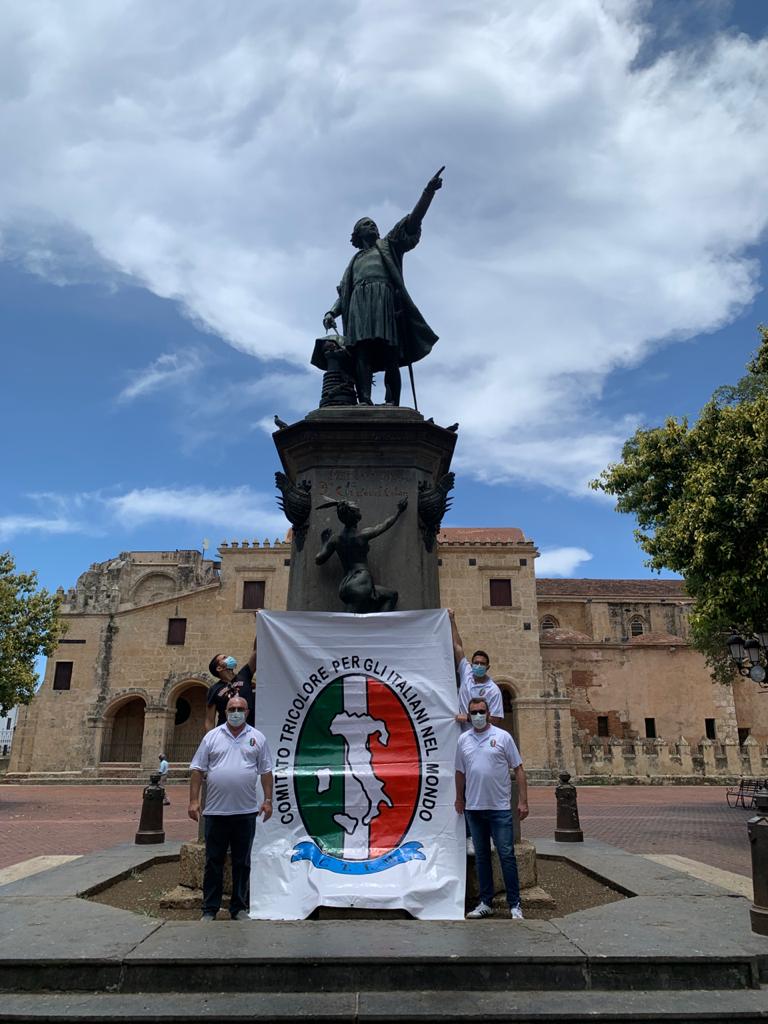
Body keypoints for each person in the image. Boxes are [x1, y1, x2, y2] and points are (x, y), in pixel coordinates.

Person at [322, 168, 443, 406]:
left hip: (384, 301)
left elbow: (412, 221)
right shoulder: (355, 261)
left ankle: (392, 402)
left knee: (390, 353)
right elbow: (344, 292)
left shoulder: (388, 246)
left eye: (374, 223)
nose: (373, 226)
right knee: (362, 352)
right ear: (357, 234)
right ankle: (365, 399)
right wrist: (331, 311)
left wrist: (427, 193)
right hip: (359, 305)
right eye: (367, 224)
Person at [188, 695, 273, 921]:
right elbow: (197, 769)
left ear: (247, 712)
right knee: (213, 861)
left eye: (240, 709)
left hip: (245, 812)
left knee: (242, 862)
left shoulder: (258, 738)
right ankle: (209, 908)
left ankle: (239, 907)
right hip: (216, 812)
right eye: (232, 708)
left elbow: (266, 772)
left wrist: (268, 800)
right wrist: (194, 801)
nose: (236, 712)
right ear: (225, 711)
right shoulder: (212, 737)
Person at [455, 696, 529, 920]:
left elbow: (519, 769)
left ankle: (514, 903)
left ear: (488, 713)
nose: (478, 715)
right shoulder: (463, 740)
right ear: (469, 715)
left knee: (506, 854)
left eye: (481, 711)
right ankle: (486, 902)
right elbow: (460, 772)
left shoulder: (502, 737)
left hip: (499, 807)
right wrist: (459, 798)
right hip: (474, 808)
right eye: (474, 712)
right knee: (482, 856)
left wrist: (523, 801)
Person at [448, 609, 504, 731]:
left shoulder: (493, 690)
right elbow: (457, 646)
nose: (478, 666)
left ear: (487, 667)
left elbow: (496, 719)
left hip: (481, 735)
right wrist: (452, 620)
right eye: (476, 663)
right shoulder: (466, 672)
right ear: (471, 664)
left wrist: (469, 718)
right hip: (460, 734)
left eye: (482, 664)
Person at [205, 614, 259, 730]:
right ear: (219, 668)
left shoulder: (244, 675)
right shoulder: (214, 690)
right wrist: (210, 742)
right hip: (225, 734)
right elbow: (209, 720)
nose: (229, 657)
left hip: (249, 731)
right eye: (224, 658)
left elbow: (256, 651)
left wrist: (261, 624)